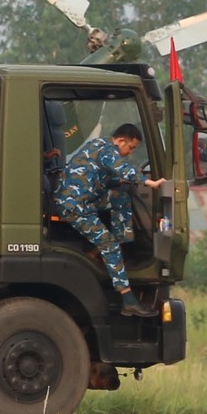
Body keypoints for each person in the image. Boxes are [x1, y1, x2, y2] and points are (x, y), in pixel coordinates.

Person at [56, 121, 167, 315]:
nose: (130, 152)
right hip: (76, 206)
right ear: (121, 141)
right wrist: (151, 182)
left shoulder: (99, 146)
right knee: (109, 244)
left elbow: (101, 177)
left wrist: (121, 181)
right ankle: (129, 300)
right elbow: (122, 168)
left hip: (83, 199)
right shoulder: (108, 150)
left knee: (120, 197)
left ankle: (110, 250)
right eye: (130, 148)